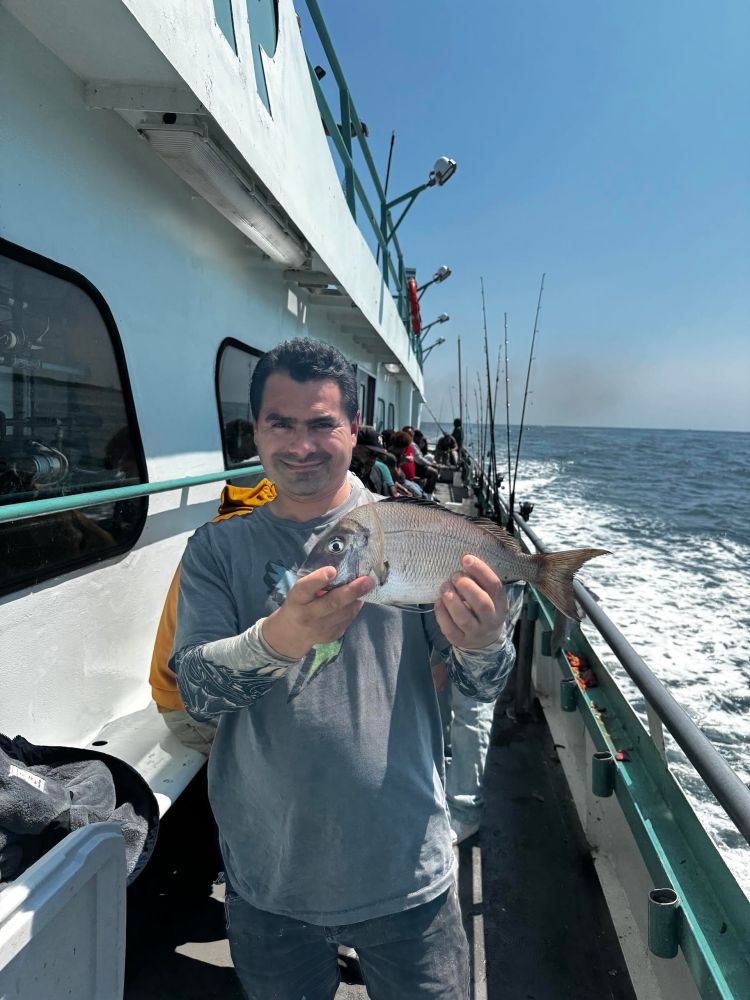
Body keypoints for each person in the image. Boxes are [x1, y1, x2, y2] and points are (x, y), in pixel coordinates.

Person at [171, 337, 517, 999]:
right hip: (268, 874)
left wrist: (484, 642)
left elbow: (483, 685)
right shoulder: (217, 548)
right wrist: (278, 639)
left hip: (405, 869)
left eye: (323, 423)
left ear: (354, 428)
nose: (301, 444)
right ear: (255, 430)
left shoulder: (417, 529)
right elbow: (196, 695)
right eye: (281, 423)